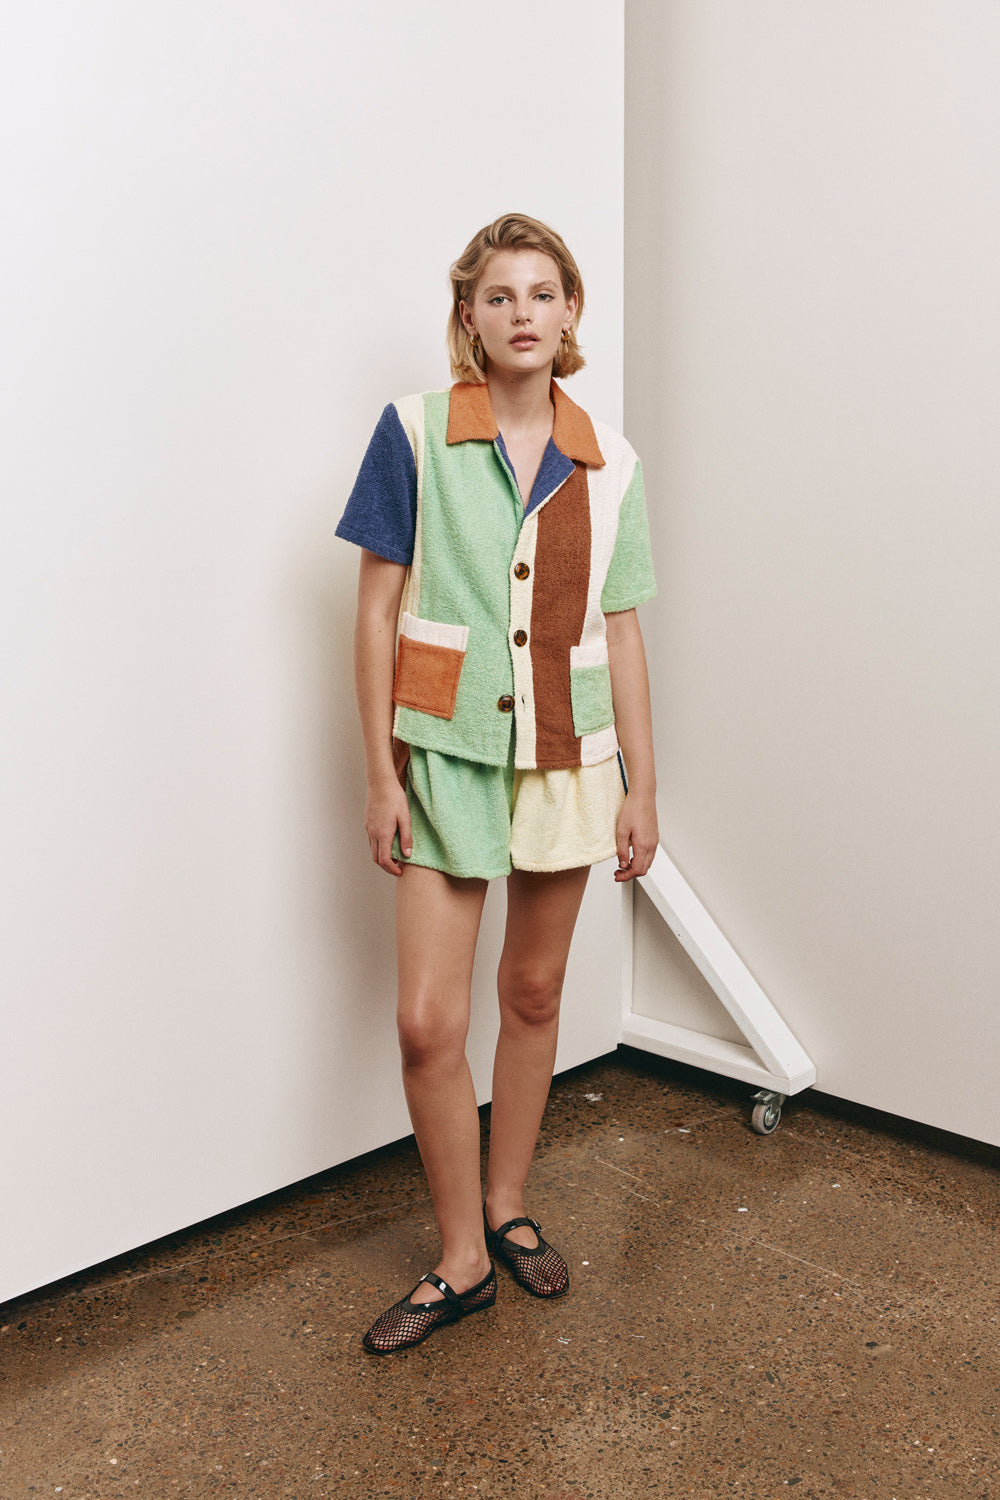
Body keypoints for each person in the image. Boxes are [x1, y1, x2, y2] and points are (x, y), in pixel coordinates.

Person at [336, 213, 658, 1354]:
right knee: (427, 1021)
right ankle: (460, 1257)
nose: (523, 313)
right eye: (499, 295)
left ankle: (507, 1206)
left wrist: (644, 787)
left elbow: (622, 632)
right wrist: (379, 774)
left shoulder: (611, 461)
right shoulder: (414, 434)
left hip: (569, 756)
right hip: (443, 752)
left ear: (571, 312)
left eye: (542, 293)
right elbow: (373, 611)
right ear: (468, 317)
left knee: (531, 996)